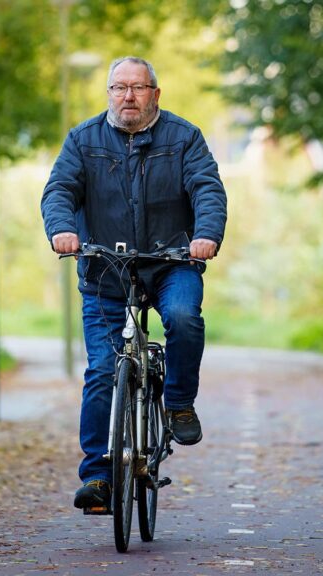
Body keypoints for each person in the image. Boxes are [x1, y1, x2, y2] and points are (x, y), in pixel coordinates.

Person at [41, 56, 227, 511]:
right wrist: (61, 229)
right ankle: (100, 479)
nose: (128, 96)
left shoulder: (184, 138)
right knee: (104, 370)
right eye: (119, 88)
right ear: (108, 93)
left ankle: (179, 402)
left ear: (155, 94)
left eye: (138, 88)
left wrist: (205, 234)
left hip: (170, 262)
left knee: (183, 317)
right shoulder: (83, 141)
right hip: (106, 268)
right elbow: (59, 190)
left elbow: (207, 188)